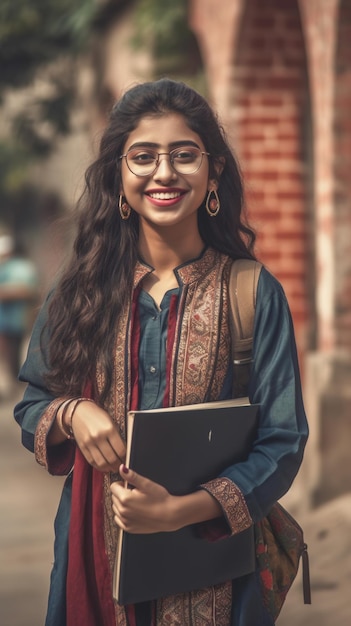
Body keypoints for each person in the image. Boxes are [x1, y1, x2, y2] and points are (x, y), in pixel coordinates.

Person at [14, 78, 308, 626]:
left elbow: (283, 441)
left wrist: (179, 512)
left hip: (213, 570)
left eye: (184, 155)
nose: (164, 173)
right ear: (119, 174)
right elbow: (33, 404)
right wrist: (73, 414)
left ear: (213, 170)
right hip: (93, 562)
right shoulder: (80, 290)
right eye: (143, 156)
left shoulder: (250, 292)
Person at [0, 232, 38, 398]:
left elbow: (29, 290)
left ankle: (15, 384)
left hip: (17, 319)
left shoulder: (22, 267)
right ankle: (10, 384)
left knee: (15, 352)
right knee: (7, 353)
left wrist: (8, 292)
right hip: (5, 320)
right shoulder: (3, 267)